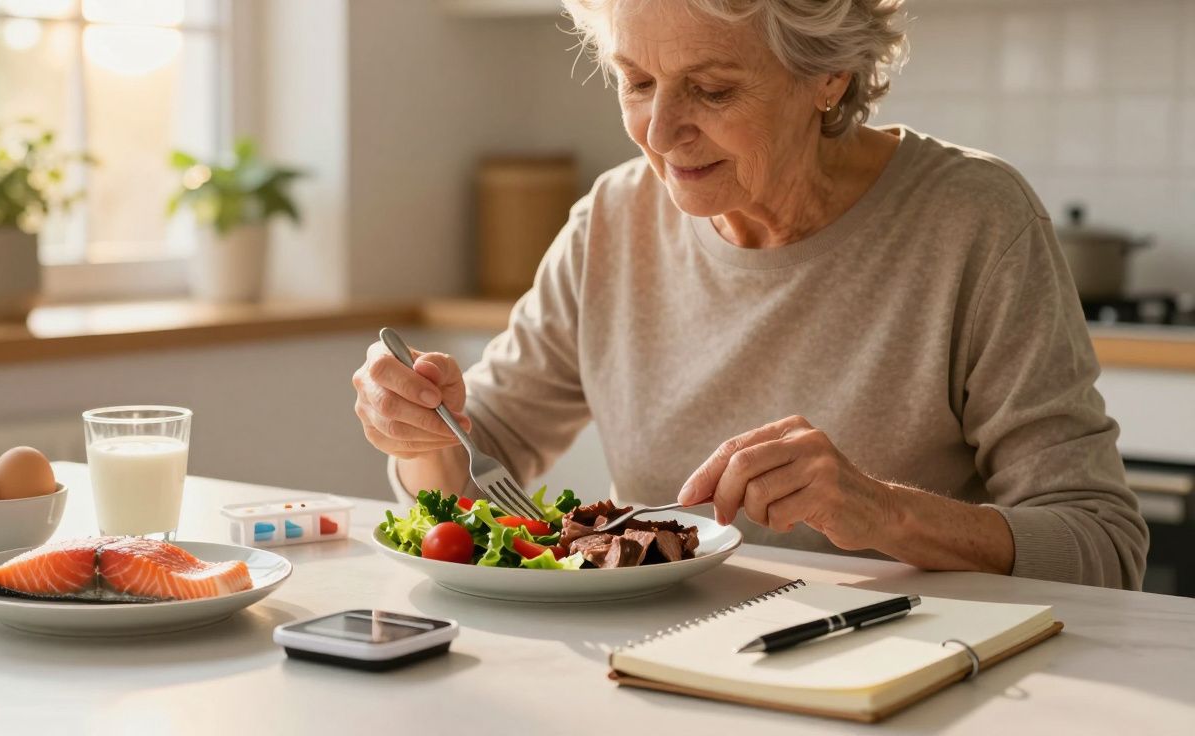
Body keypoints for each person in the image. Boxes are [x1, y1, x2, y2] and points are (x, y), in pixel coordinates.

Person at [351, 0, 1147, 589]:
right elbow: (468, 466)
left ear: (827, 77)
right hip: (666, 671)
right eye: (635, 81)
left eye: (712, 90)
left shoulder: (975, 221)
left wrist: (881, 512)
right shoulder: (614, 219)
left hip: (909, 681)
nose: (660, 133)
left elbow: (1103, 546)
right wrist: (421, 430)